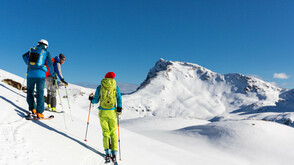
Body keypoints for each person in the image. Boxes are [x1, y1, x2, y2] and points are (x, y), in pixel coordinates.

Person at [89, 72, 122, 163]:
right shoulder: (116, 87)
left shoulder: (100, 87)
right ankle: (114, 152)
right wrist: (119, 108)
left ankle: (107, 152)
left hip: (103, 111)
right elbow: (119, 98)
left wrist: (91, 98)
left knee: (105, 132)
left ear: (105, 77)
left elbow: (95, 100)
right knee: (113, 132)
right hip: (112, 112)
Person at [22, 39, 56, 119]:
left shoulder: (32, 50)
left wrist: (29, 63)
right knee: (40, 93)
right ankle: (39, 112)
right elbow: (50, 64)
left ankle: (32, 109)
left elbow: (24, 56)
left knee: (30, 91)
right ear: (46, 45)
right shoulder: (46, 52)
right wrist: (53, 74)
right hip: (40, 75)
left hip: (30, 74)